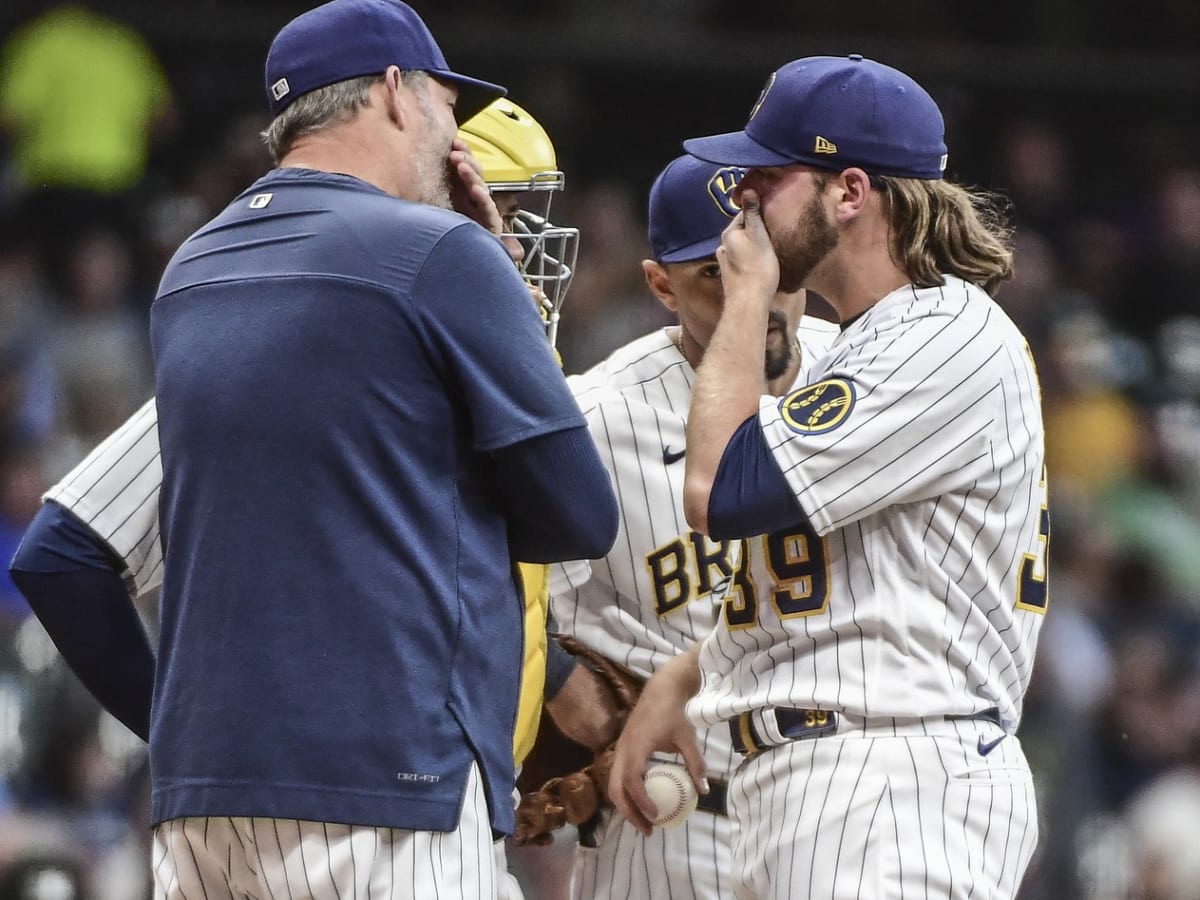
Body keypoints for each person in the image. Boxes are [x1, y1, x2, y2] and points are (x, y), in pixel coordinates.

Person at [12, 2, 620, 898]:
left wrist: (174, 732)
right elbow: (577, 513)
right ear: (392, 94)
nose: (454, 135)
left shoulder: (195, 267)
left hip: (203, 812)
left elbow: (62, 554)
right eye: (449, 105)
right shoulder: (444, 252)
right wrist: (500, 296)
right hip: (388, 793)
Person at [609, 55, 1048, 900]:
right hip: (834, 780)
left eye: (767, 176)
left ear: (849, 193)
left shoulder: (946, 335)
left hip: (891, 779)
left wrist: (745, 299)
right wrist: (686, 672)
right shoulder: (876, 344)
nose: (741, 199)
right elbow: (864, 582)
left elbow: (719, 492)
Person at [542, 154, 837, 899]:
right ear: (660, 284)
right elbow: (490, 587)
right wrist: (564, 687)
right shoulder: (596, 419)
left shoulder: (864, 374)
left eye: (768, 262)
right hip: (672, 827)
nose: (757, 294)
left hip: (841, 815)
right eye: (718, 272)